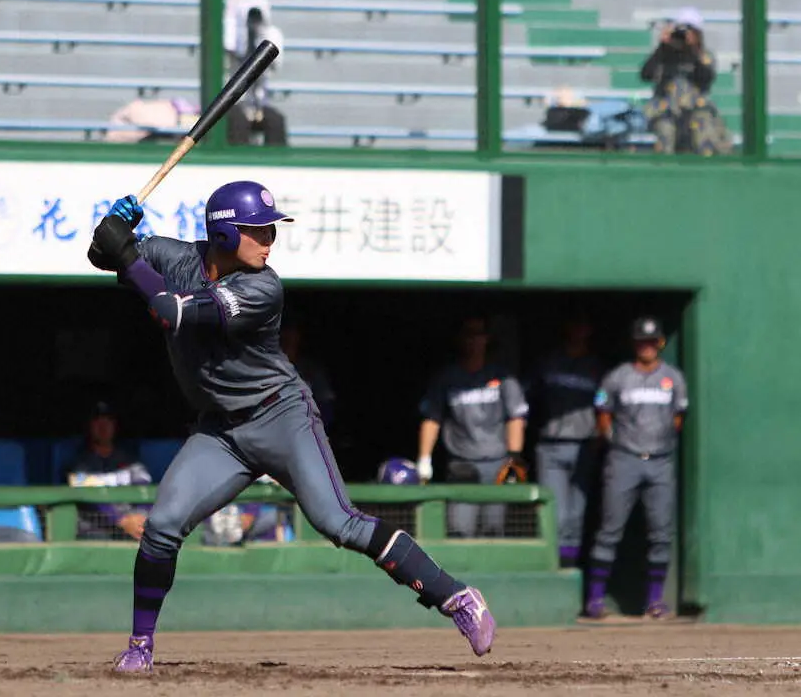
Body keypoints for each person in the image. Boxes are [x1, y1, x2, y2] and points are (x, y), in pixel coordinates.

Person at [87, 182, 496, 672]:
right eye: (256, 229)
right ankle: (140, 647)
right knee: (161, 528)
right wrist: (111, 233)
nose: (269, 239)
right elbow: (104, 257)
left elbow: (170, 312)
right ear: (221, 233)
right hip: (220, 432)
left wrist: (126, 253)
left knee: (338, 522)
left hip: (281, 416)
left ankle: (455, 597)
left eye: (270, 229)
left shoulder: (263, 287)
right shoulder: (173, 256)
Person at [585, 317, 688, 620]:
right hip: (624, 459)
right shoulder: (618, 377)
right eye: (642, 342)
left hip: (660, 460)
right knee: (609, 530)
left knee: (661, 533)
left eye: (652, 341)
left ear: (660, 343)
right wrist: (612, 438)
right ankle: (594, 599)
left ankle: (655, 601)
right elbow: (602, 411)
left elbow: (679, 415)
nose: (647, 347)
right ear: (634, 344)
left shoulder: (673, 378)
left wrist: (664, 437)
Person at [417, 316, 529, 538]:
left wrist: (515, 457)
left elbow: (516, 416)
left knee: (493, 529)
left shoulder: (502, 376)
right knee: (460, 529)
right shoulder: (447, 377)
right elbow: (432, 417)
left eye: (478, 334)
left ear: (487, 339)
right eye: (468, 334)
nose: (474, 341)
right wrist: (424, 459)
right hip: (462, 463)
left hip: (497, 463)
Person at [531, 315, 603, 568]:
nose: (579, 331)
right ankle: (553, 569)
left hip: (584, 445)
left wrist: (600, 438)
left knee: (575, 517)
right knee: (556, 516)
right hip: (550, 445)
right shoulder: (548, 362)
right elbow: (528, 401)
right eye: (575, 326)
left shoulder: (596, 366)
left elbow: (606, 407)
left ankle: (569, 568)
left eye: (584, 327)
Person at [639, 7, 732, 156]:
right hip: (666, 109)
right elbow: (645, 75)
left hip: (695, 109)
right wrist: (662, 47)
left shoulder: (704, 56)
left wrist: (693, 50)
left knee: (703, 128)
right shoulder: (664, 55)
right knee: (665, 129)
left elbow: (706, 78)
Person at [66, 400, 152, 541]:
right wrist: (121, 520)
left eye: (108, 421)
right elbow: (90, 500)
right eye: (97, 421)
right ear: (89, 426)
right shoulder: (79, 464)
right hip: (96, 529)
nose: (103, 426)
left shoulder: (130, 462)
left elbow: (146, 494)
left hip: (133, 525)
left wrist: (139, 519)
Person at [223, 0, 288, 146]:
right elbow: (230, 50)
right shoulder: (227, 32)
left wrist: (257, 35)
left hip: (258, 101)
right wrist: (242, 33)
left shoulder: (270, 34)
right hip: (230, 102)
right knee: (237, 120)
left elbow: (273, 63)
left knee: (275, 120)